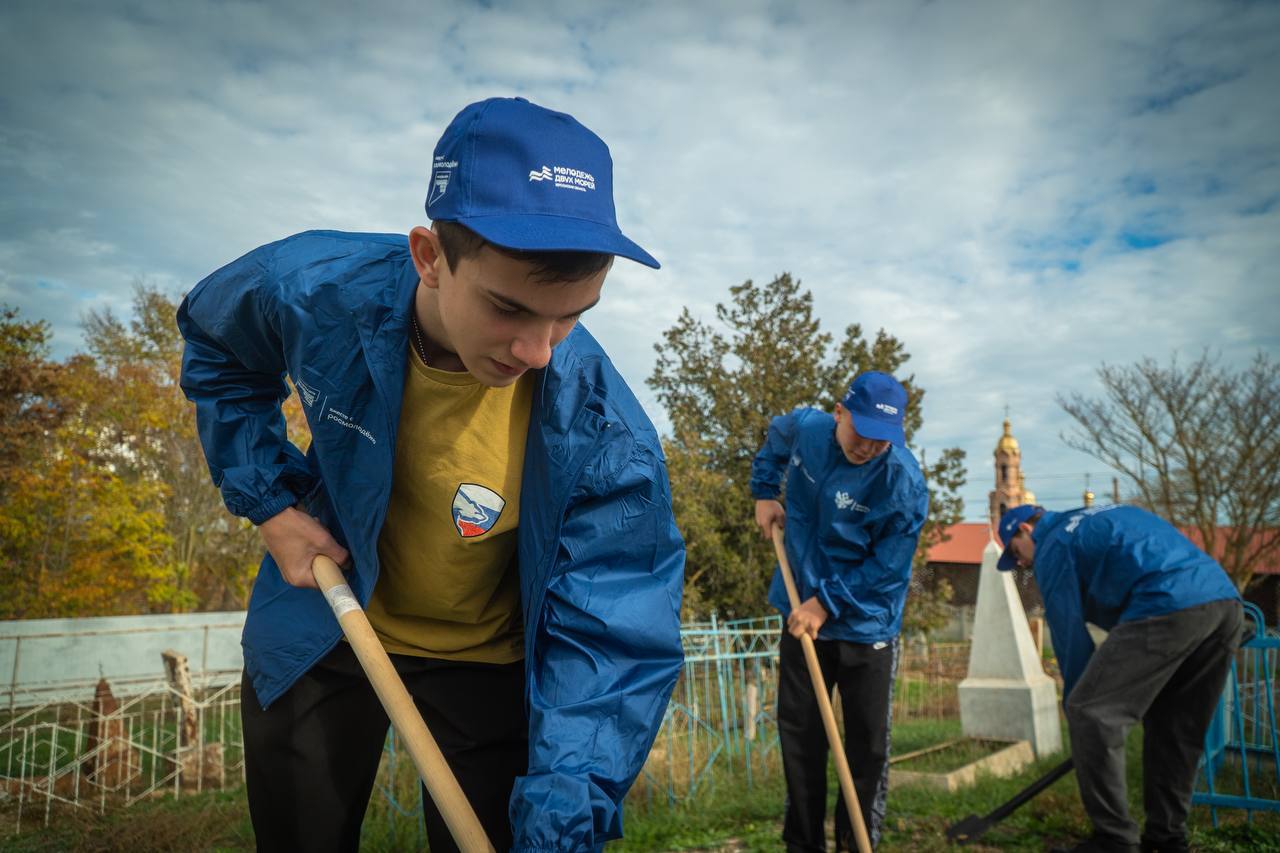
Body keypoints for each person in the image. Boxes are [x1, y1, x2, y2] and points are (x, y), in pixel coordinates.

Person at [178, 96, 685, 852]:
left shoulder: (607, 434)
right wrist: (271, 506)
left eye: (572, 314)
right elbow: (220, 347)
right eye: (509, 309)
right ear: (430, 257)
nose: (538, 350)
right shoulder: (313, 289)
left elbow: (610, 632)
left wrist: (561, 816)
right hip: (329, 622)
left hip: (487, 662)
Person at [996, 503, 1243, 853]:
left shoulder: (1053, 545)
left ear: (1025, 529)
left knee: (1091, 712)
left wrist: (1080, 715)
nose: (1020, 563)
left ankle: (1114, 840)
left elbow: (1070, 639)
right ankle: (1166, 839)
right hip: (1224, 603)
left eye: (1015, 552)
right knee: (1175, 727)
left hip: (1166, 602)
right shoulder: (1095, 517)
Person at [750, 371, 929, 851]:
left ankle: (857, 843)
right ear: (839, 413)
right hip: (801, 614)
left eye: (881, 440)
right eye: (862, 432)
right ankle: (803, 845)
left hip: (866, 626)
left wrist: (826, 603)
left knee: (866, 749)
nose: (868, 447)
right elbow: (776, 436)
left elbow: (889, 568)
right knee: (801, 741)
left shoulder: (903, 482)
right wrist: (765, 491)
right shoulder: (807, 429)